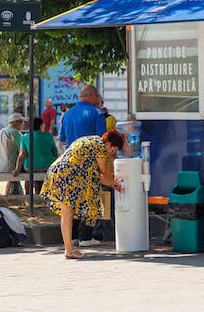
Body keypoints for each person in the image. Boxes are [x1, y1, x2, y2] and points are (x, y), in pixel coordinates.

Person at [40, 130, 124, 259]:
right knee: (68, 214)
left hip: (59, 172)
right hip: (67, 175)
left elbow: (96, 175)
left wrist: (112, 184)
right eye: (113, 149)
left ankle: (69, 248)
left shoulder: (91, 141)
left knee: (67, 213)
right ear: (108, 144)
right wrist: (115, 183)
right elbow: (105, 172)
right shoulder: (100, 146)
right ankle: (69, 250)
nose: (112, 153)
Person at [59, 84, 107, 246]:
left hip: (70, 161)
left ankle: (72, 236)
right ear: (92, 96)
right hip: (89, 162)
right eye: (98, 96)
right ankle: (86, 236)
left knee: (72, 199)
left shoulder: (67, 115)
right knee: (88, 198)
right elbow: (102, 141)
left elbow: (63, 140)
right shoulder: (97, 113)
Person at [15, 117, 59, 194]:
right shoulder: (48, 136)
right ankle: (40, 194)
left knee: (29, 177)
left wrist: (17, 169)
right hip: (46, 166)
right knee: (42, 177)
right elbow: (55, 152)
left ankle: (28, 195)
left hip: (30, 167)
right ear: (41, 126)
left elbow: (22, 155)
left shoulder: (24, 137)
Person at [0, 113, 28, 195]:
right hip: (10, 167)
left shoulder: (1, 131)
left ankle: (8, 194)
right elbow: (23, 150)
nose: (22, 125)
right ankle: (29, 195)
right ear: (15, 122)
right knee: (30, 168)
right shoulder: (15, 133)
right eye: (21, 122)